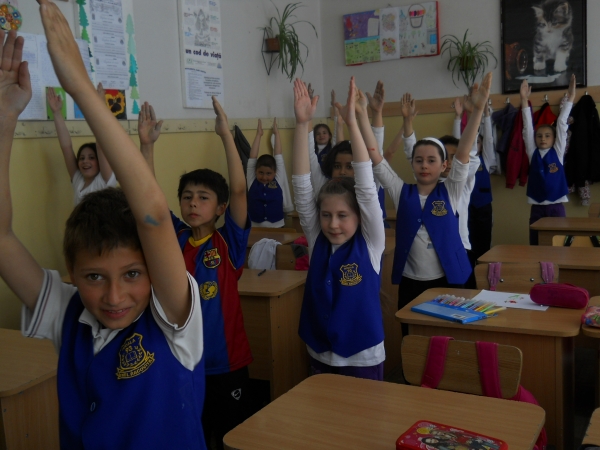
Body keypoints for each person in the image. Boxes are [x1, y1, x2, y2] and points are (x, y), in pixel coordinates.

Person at [0, 5, 206, 448]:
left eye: (132, 274)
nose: (114, 297)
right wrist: (3, 124)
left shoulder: (173, 316)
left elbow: (153, 216)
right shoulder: (67, 312)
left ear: (153, 270)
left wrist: (79, 86)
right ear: (72, 273)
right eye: (94, 277)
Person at [370, 73, 492, 312]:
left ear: (444, 165)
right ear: (412, 164)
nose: (424, 166)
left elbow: (464, 152)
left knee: (447, 329)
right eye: (419, 161)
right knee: (412, 329)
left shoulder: (452, 189)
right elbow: (376, 158)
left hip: (449, 273)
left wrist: (477, 111)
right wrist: (377, 116)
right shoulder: (402, 191)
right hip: (411, 281)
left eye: (431, 161)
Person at [170, 108, 254, 449]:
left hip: (226, 362)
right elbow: (148, 204)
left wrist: (225, 136)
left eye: (203, 198)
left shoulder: (227, 242)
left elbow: (239, 190)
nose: (193, 203)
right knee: (195, 435)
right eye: (187, 197)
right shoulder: (176, 239)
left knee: (232, 436)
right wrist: (146, 146)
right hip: (184, 362)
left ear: (220, 208)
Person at [292, 77, 386, 380]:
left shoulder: (372, 242)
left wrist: (353, 123)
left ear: (360, 216)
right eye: (326, 215)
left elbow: (366, 186)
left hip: (363, 356)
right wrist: (302, 125)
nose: (333, 224)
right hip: (319, 350)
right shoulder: (316, 236)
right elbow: (301, 186)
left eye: (343, 215)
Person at [521, 74, 575, 245]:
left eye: (547, 136)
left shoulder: (557, 152)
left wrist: (571, 98)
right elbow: (527, 128)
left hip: (556, 206)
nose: (543, 139)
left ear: (553, 139)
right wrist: (524, 100)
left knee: (559, 244)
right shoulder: (533, 153)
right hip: (537, 206)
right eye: (539, 136)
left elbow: (562, 124)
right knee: (536, 243)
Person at [46, 84, 116, 205]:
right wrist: (56, 113)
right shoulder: (78, 180)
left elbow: (101, 145)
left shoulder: (104, 181)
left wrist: (100, 107)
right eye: (82, 158)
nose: (85, 161)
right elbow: (66, 147)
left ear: (100, 161)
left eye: (91, 157)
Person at [246, 118, 293, 228]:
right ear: (255, 171)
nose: (264, 177)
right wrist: (259, 135)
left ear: (275, 172)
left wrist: (276, 134)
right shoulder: (252, 180)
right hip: (255, 227)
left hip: (278, 227)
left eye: (268, 173)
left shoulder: (278, 180)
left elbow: (278, 155)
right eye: (261, 172)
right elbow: (252, 157)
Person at [466, 103, 496, 260]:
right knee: (468, 242)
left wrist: (486, 115)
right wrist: (459, 117)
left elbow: (489, 139)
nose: (474, 144)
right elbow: (460, 139)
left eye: (477, 142)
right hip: (467, 206)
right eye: (472, 141)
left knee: (484, 242)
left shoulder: (486, 159)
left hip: (483, 207)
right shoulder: (463, 162)